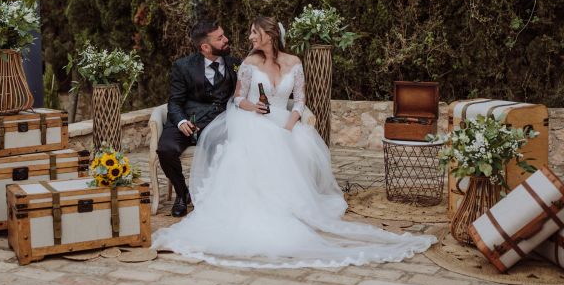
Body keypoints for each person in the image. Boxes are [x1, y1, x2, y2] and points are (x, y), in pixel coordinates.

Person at [153, 16, 436, 268]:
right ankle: (198, 196)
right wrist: (252, 110)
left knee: (296, 144)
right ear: (205, 46)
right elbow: (235, 98)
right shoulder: (240, 63)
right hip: (241, 119)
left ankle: (291, 204)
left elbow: (299, 100)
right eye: (223, 37)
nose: (245, 38)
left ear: (269, 36)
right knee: (247, 145)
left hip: (282, 119)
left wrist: (289, 125)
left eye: (254, 33)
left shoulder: (286, 63)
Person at [157, 20, 241, 217]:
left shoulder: (236, 64)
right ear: (205, 47)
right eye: (220, 38)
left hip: (218, 124)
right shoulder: (183, 66)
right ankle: (182, 193)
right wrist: (181, 121)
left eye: (224, 35)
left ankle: (216, 195)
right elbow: (175, 101)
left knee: (228, 147)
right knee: (165, 149)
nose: (226, 40)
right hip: (187, 121)